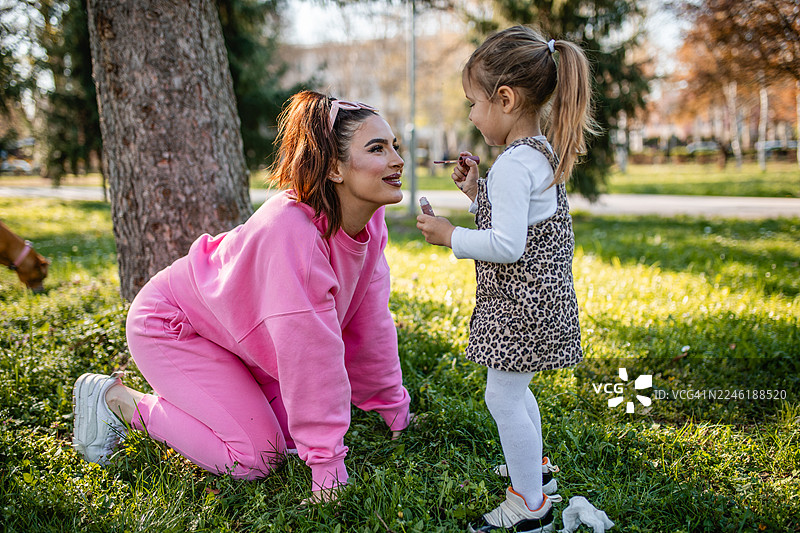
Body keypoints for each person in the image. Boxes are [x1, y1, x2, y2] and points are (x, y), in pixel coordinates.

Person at [73, 90, 411, 503]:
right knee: (257, 458)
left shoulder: (372, 226)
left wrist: (392, 407)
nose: (397, 159)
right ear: (335, 167)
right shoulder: (293, 232)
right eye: (378, 148)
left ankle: (210, 399)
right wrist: (327, 469)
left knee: (288, 440)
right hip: (173, 326)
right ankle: (118, 401)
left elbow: (370, 322)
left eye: (395, 145)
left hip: (242, 344)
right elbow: (311, 356)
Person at [416, 26, 597, 532]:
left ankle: (530, 506)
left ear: (506, 98)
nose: (471, 114)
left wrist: (451, 235)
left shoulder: (517, 165)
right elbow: (518, 225)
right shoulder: (535, 152)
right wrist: (478, 192)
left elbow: (507, 245)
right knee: (515, 393)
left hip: (521, 306)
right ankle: (534, 470)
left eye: (474, 103)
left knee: (502, 397)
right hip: (537, 300)